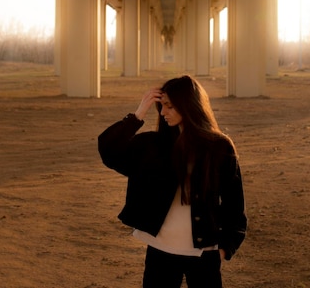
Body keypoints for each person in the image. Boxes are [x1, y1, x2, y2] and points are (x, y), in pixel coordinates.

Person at [98, 75, 247, 288]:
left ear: (188, 106)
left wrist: (225, 248)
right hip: (161, 251)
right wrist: (138, 113)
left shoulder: (219, 147)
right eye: (161, 106)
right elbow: (109, 151)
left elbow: (234, 203)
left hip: (204, 253)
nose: (162, 112)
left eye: (169, 106)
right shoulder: (154, 146)